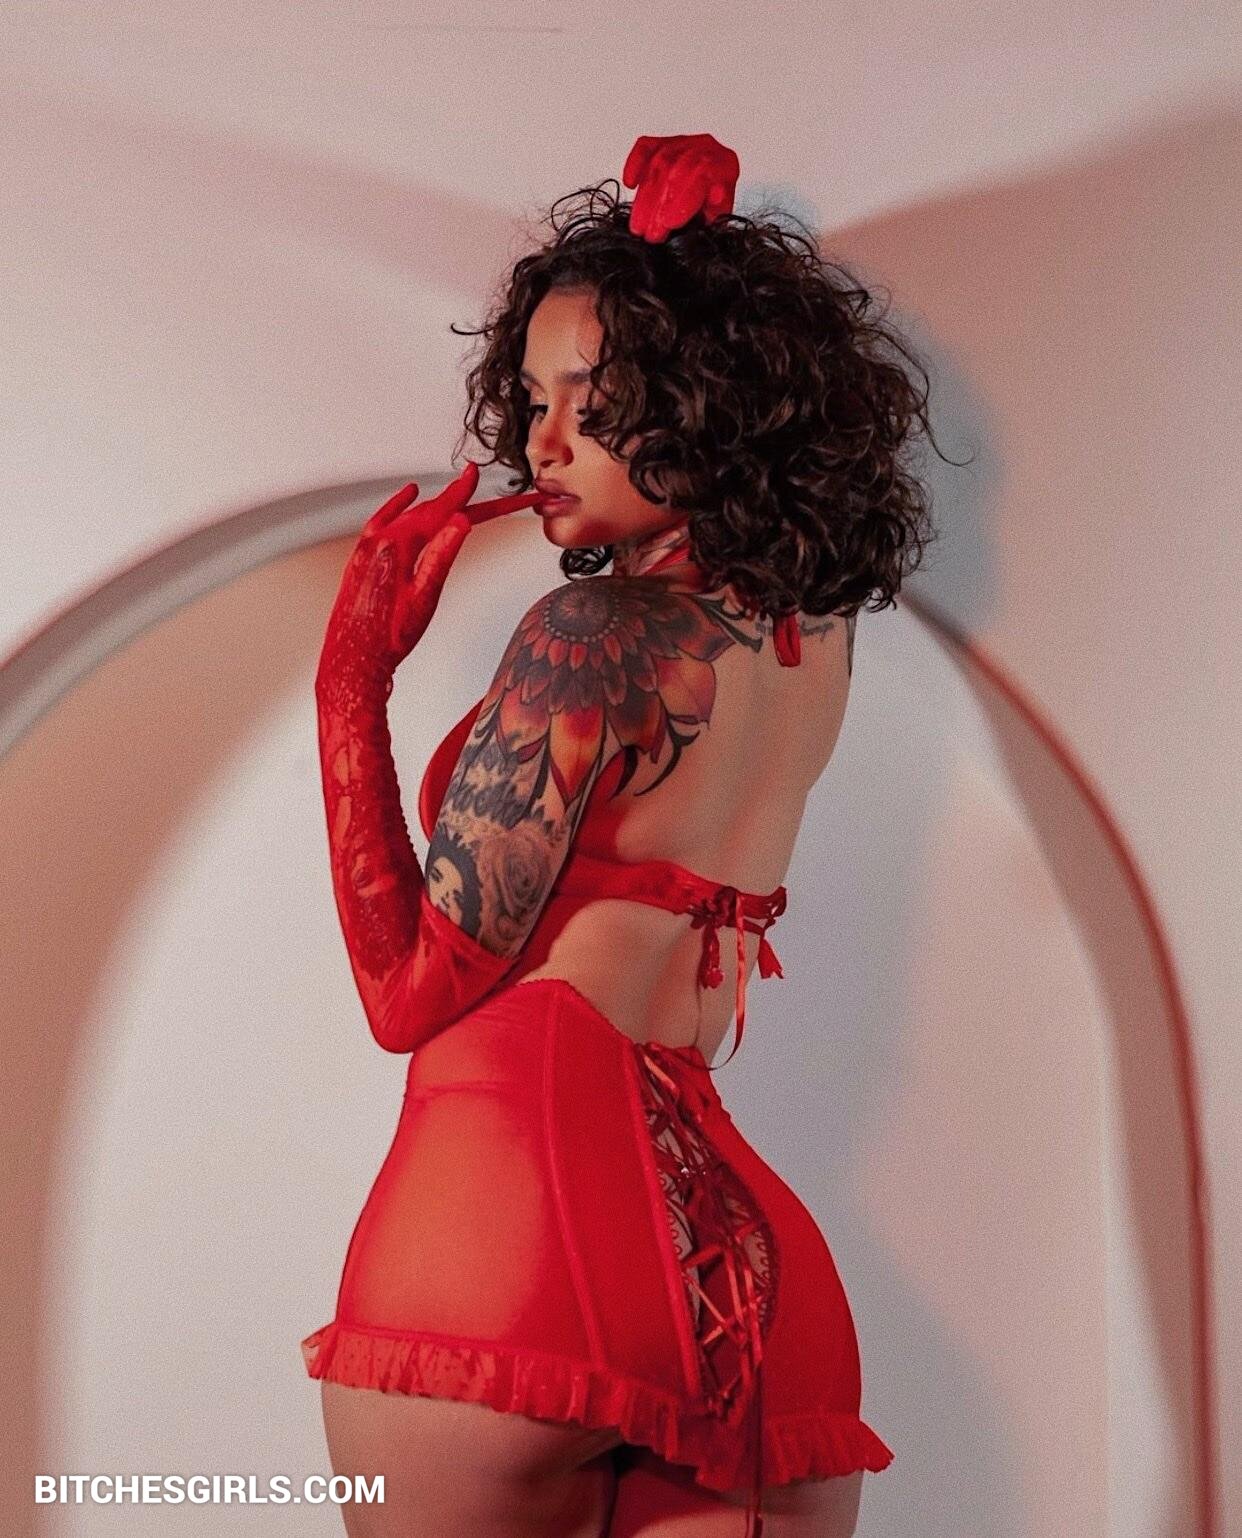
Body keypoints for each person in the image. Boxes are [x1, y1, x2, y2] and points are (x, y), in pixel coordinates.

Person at [301, 136, 955, 1537]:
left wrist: (350, 677)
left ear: (708, 411)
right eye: (533, 400)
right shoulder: (810, 640)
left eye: (590, 406)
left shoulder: (592, 634)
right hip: (758, 1291)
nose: (540, 444)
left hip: (506, 1252)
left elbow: (405, 995)